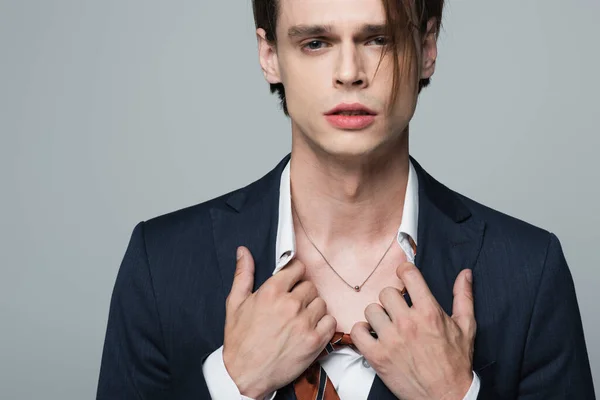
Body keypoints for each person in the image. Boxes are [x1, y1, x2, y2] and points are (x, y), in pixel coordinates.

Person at [96, 0, 596, 398]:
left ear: (427, 48)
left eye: (378, 39)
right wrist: (232, 386)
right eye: (316, 42)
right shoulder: (159, 264)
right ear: (270, 56)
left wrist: (454, 396)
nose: (349, 72)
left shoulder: (531, 271)